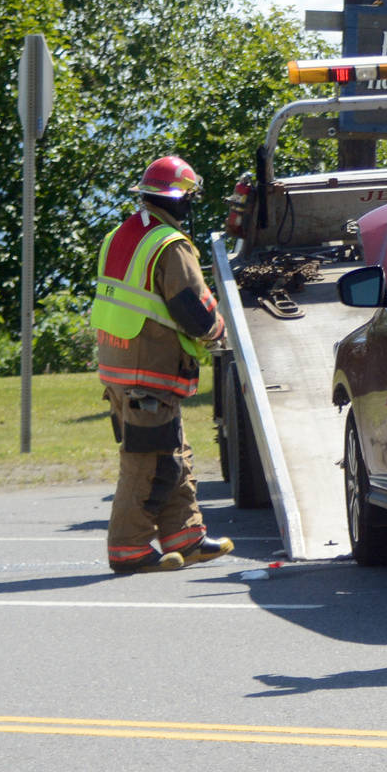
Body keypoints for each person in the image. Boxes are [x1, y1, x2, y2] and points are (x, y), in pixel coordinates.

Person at [91, 155, 235, 574]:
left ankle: (185, 537)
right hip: (147, 370)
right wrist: (219, 330)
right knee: (149, 461)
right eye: (189, 197)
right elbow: (194, 309)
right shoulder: (171, 245)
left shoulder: (120, 235)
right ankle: (129, 548)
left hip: (119, 365)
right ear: (179, 199)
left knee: (172, 451)